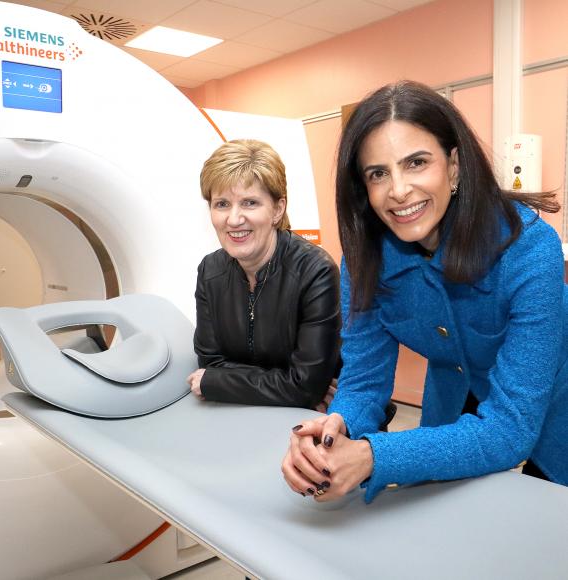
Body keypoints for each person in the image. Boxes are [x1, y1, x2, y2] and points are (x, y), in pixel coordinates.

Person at [281, 80, 568, 502]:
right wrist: (331, 439)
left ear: (453, 165)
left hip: (551, 415)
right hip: (453, 411)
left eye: (416, 162)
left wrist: (373, 456)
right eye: (378, 173)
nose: (398, 190)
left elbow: (509, 430)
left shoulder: (528, 249)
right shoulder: (364, 260)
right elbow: (361, 381)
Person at [187, 139, 341, 410]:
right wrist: (287, 385)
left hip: (315, 420)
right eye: (221, 204)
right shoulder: (210, 271)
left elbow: (305, 387)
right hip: (244, 414)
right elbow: (210, 363)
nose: (233, 219)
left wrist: (215, 382)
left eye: (249, 203)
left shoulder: (315, 271)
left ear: (277, 209)